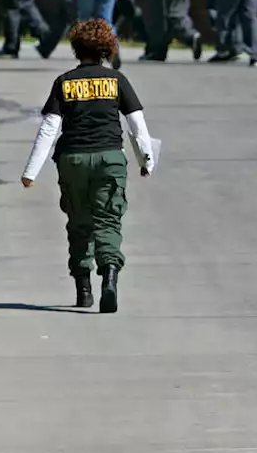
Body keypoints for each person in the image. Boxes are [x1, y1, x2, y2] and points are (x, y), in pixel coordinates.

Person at [21, 19, 156, 314]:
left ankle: (83, 289)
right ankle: (109, 276)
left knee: (79, 222)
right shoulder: (117, 80)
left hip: (72, 160)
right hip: (109, 158)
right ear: (107, 49)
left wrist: (31, 171)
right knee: (108, 220)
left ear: (76, 48)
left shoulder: (65, 82)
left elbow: (49, 127)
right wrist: (146, 160)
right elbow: (136, 123)